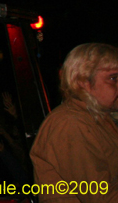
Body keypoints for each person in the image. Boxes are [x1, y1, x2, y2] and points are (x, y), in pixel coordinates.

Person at [30, 43, 118, 202]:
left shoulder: (98, 118)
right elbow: (102, 196)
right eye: (113, 78)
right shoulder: (70, 123)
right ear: (82, 81)